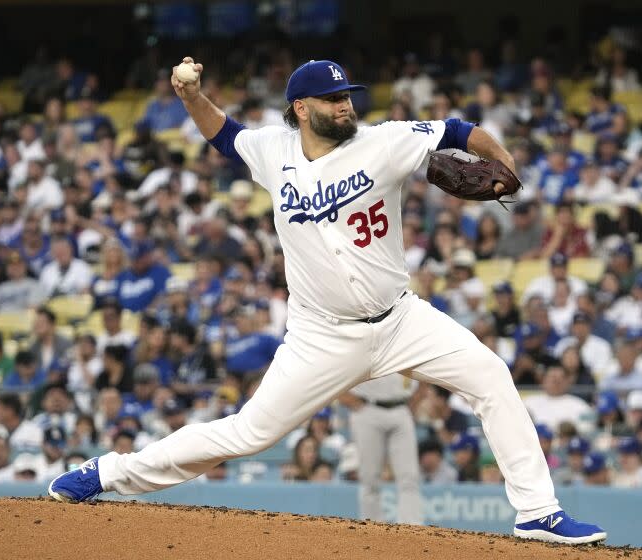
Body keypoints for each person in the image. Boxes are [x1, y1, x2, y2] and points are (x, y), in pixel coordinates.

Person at [49, 57, 606, 544]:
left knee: (491, 376)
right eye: (333, 99)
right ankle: (109, 473)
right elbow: (223, 134)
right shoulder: (273, 149)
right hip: (321, 334)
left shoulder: (384, 141)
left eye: (348, 97)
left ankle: (538, 512)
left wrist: (506, 162)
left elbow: (461, 130)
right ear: (300, 107)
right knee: (248, 434)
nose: (345, 106)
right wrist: (192, 95)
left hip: (401, 319)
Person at [340, 374, 421, 524]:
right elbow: (337, 367)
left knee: (409, 476)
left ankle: (412, 529)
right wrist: (346, 397)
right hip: (367, 407)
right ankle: (372, 529)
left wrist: (416, 400)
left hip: (401, 407)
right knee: (370, 477)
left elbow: (424, 368)